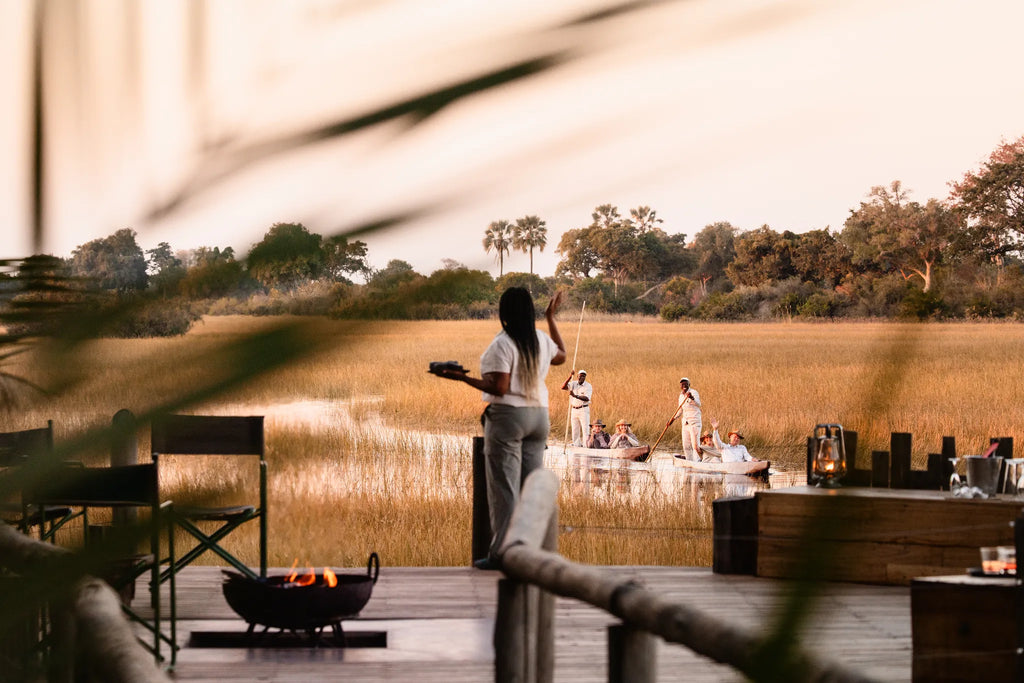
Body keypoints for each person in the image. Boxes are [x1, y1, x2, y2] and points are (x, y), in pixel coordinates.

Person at [433, 287, 566, 570]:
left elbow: (500, 388)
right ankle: (532, 552)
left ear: (503, 314)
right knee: (530, 489)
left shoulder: (502, 343)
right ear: (531, 313)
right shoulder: (540, 339)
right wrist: (550, 318)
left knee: (504, 490)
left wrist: (460, 378)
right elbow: (562, 356)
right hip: (539, 418)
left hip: (508, 418)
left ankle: (501, 555)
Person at [666, 377, 702, 461]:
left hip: (694, 422)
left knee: (695, 445)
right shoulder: (681, 396)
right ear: (680, 386)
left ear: (689, 384)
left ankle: (697, 461)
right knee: (686, 445)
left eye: (685, 383)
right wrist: (672, 420)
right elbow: (680, 410)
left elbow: (698, 404)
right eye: (682, 384)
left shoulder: (694, 392)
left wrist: (691, 398)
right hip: (685, 423)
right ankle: (689, 462)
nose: (684, 385)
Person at [561, 369, 592, 446]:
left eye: (583, 376)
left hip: (583, 409)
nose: (581, 378)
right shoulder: (573, 384)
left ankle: (586, 445)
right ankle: (576, 444)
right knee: (575, 429)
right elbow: (563, 387)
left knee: (585, 428)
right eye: (580, 376)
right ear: (577, 376)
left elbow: (587, 398)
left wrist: (575, 396)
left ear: (585, 377)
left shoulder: (588, 386)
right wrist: (570, 376)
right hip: (574, 409)